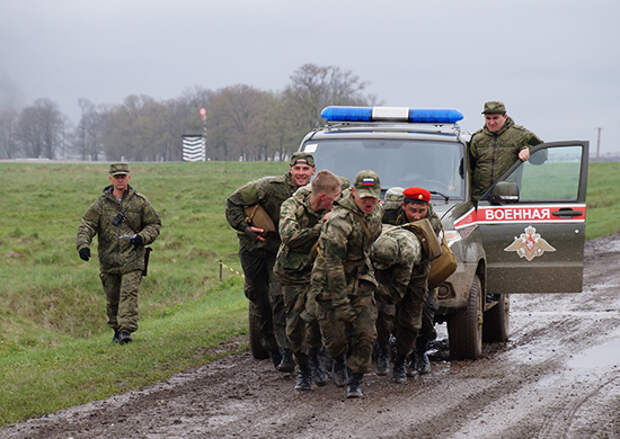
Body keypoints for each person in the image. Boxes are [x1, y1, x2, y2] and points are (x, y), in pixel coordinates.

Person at [225, 152, 315, 372]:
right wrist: (246, 229)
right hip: (253, 249)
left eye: (306, 170)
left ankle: (284, 351)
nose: (301, 174)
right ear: (291, 169)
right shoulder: (268, 187)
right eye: (298, 169)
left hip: (279, 252)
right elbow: (233, 202)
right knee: (258, 297)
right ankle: (269, 343)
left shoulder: (313, 194)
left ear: (313, 171)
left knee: (278, 297)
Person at [310, 170, 383, 398]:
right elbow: (333, 265)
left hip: (360, 281)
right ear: (352, 193)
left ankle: (355, 379)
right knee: (336, 339)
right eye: (364, 198)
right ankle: (337, 360)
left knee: (366, 334)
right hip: (332, 282)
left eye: (373, 197)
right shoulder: (338, 222)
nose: (369, 202)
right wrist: (341, 304)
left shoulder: (376, 212)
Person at [76, 163, 161, 345]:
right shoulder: (100, 204)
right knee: (112, 298)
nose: (120, 180)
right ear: (111, 179)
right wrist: (83, 245)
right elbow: (87, 225)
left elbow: (154, 224)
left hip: (133, 259)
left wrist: (142, 237)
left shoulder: (140, 202)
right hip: (108, 260)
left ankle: (125, 331)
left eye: (123, 176)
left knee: (128, 294)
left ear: (129, 178)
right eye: (117, 177)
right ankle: (116, 329)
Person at [274, 170, 342, 391]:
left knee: (316, 319)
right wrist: (320, 227)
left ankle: (317, 358)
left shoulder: (337, 202)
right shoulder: (291, 206)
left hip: (318, 273)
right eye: (333, 200)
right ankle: (303, 367)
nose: (336, 204)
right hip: (292, 274)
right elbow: (289, 237)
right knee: (294, 327)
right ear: (322, 197)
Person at [382, 186, 443, 375]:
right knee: (383, 315)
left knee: (423, 316)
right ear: (403, 206)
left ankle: (419, 353)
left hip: (419, 273)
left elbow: (430, 252)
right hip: (392, 271)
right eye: (412, 210)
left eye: (421, 211)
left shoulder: (431, 222)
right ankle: (388, 355)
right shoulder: (388, 215)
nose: (417, 216)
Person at [371, 224, 423, 383]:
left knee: (410, 322)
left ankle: (401, 359)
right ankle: (382, 348)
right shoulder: (373, 246)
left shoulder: (407, 256)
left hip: (416, 273)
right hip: (384, 265)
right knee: (379, 313)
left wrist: (373, 286)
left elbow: (396, 294)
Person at [469, 101, 543, 201]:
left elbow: (541, 156)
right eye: (488, 118)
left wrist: (529, 150)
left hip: (507, 199)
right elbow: (468, 169)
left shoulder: (520, 135)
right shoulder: (477, 138)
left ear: (505, 117)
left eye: (495, 118)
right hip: (479, 200)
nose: (491, 122)